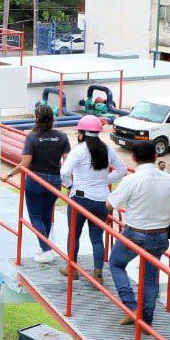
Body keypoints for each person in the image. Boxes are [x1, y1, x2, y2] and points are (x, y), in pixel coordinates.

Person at [106, 140, 170, 325]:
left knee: (116, 264)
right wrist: (166, 214)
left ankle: (131, 306)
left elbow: (110, 204)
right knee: (150, 278)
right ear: (156, 156)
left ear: (134, 157)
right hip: (159, 235)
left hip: (135, 233)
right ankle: (146, 321)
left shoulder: (131, 179)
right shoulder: (169, 179)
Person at [60, 115, 126, 279]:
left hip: (80, 198)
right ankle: (98, 273)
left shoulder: (79, 150)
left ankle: (72, 269)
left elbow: (64, 172)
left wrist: (69, 185)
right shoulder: (108, 150)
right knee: (97, 238)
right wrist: (105, 180)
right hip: (102, 199)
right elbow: (122, 170)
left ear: (81, 133)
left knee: (74, 234)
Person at [16, 105, 71, 263]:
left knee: (35, 217)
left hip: (36, 180)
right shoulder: (62, 136)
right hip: (54, 181)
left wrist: (9, 174)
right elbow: (68, 162)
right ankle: (44, 246)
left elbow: (25, 163)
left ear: (36, 117)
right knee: (46, 214)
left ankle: (46, 250)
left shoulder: (32, 137)